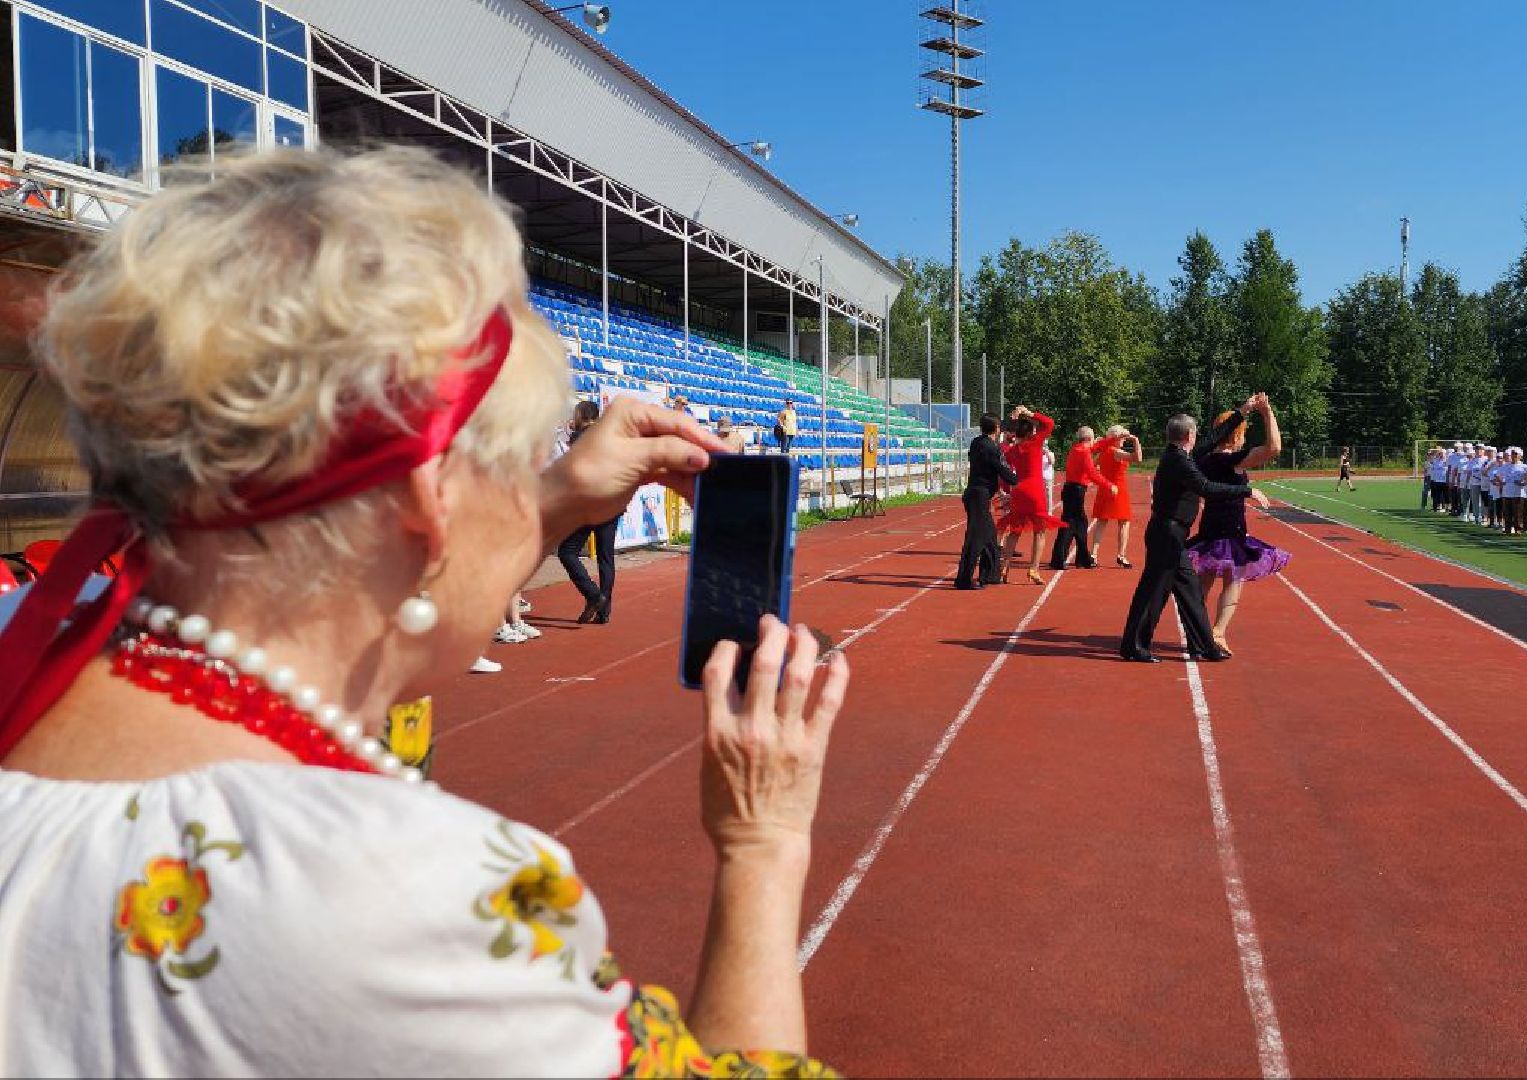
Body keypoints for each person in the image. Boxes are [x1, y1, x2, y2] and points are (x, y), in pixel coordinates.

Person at [0, 147, 844, 1076]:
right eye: (517, 466)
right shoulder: (410, 903)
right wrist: (761, 844)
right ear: (429, 499)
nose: (531, 495)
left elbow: (368, 656)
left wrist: (556, 495)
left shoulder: (34, 649)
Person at [1119, 401, 1260, 664]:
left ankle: (1203, 646)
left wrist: (1243, 411)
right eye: (1195, 434)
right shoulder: (1179, 462)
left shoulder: (1182, 455)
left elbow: (1213, 438)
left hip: (1173, 536)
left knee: (1191, 590)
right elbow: (1206, 487)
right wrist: (1246, 491)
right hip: (1167, 535)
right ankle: (1133, 646)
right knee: (1153, 591)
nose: (1199, 439)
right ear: (1188, 436)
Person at [1186, 397, 1288, 657]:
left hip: (1210, 526)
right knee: (1233, 581)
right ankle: (1218, 632)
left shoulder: (1204, 459)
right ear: (1235, 437)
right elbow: (1274, 448)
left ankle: (1197, 630)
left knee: (1203, 582)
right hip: (1229, 530)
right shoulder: (1231, 461)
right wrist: (1267, 412)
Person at [556, 401, 620, 624]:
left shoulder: (581, 437)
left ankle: (594, 596)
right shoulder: (610, 436)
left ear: (582, 415)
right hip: (612, 501)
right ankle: (603, 611)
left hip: (589, 504)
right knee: (606, 558)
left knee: (567, 551)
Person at [994, 407, 1067, 584]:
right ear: (1031, 433)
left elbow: (1005, 462)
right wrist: (1030, 413)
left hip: (1019, 489)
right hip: (1034, 490)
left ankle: (1004, 566)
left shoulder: (1012, 450)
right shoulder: (1035, 443)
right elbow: (1049, 423)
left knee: (1015, 531)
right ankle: (1033, 569)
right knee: (1040, 531)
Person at [957, 414, 1018, 590]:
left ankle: (990, 574)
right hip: (979, 496)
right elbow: (1002, 470)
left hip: (975, 494)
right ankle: (963, 579)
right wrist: (1020, 481)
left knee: (990, 536)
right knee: (975, 539)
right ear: (997, 428)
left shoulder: (976, 442)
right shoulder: (992, 448)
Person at [1050, 427, 1116, 571]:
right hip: (1075, 491)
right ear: (1089, 439)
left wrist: (1113, 439)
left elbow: (1098, 447)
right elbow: (1092, 473)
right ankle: (1062, 559)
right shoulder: (1084, 452)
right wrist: (1109, 485)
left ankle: (1081, 559)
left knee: (1079, 524)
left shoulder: (1077, 448)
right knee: (1070, 525)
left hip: (1071, 491)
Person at [1090, 425, 1144, 569]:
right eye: (1122, 438)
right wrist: (1135, 441)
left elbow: (1093, 467)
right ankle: (1121, 555)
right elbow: (1138, 459)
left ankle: (1093, 554)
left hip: (1105, 488)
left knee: (1101, 522)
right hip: (1118, 489)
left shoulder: (1103, 452)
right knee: (1124, 522)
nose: (1123, 441)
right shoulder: (1116, 452)